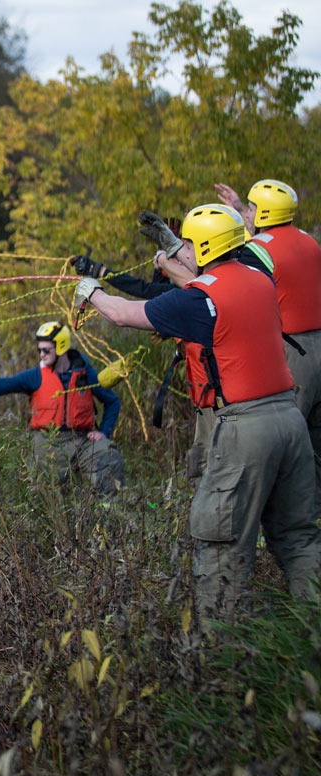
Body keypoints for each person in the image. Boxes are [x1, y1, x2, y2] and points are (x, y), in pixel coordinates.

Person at [74, 203, 321, 616]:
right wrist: (175, 249)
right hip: (289, 420)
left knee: (222, 545)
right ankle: (311, 630)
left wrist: (92, 291)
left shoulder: (196, 302)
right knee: (298, 538)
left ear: (202, 246)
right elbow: (219, 269)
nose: (180, 248)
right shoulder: (261, 278)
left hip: (246, 430)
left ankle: (220, 657)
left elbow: (121, 314)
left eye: (186, 242)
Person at [215, 179, 321, 516]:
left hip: (294, 352)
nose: (248, 213)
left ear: (262, 213)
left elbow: (239, 271)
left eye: (251, 207)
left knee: (288, 442)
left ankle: (287, 517)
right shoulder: (309, 241)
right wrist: (239, 208)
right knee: (316, 441)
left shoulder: (259, 249)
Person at [0, 321, 125, 493]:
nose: (41, 355)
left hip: (83, 440)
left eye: (46, 350)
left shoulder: (86, 373)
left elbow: (112, 402)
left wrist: (104, 432)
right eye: (39, 351)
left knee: (110, 458)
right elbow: (4, 385)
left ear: (60, 347)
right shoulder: (35, 375)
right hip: (47, 442)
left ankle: (108, 515)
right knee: (48, 490)